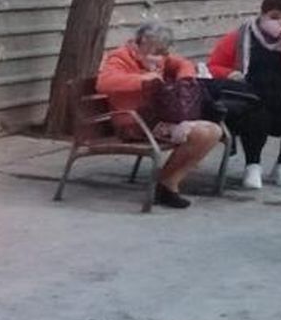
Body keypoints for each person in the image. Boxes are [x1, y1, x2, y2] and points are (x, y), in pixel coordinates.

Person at [96, 23, 224, 209]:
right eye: (154, 50)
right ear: (141, 43)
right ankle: (165, 186)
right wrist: (142, 80)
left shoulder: (160, 57)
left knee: (214, 131)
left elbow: (184, 64)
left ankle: (168, 182)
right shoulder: (121, 57)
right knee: (200, 134)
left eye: (162, 51)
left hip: (159, 117)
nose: (159, 56)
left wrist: (184, 79)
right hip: (134, 122)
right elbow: (104, 83)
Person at [207, 0, 281, 189]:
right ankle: (253, 165)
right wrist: (230, 73)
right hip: (250, 99)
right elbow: (213, 66)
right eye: (274, 17)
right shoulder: (240, 37)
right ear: (263, 16)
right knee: (256, 121)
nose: (279, 22)